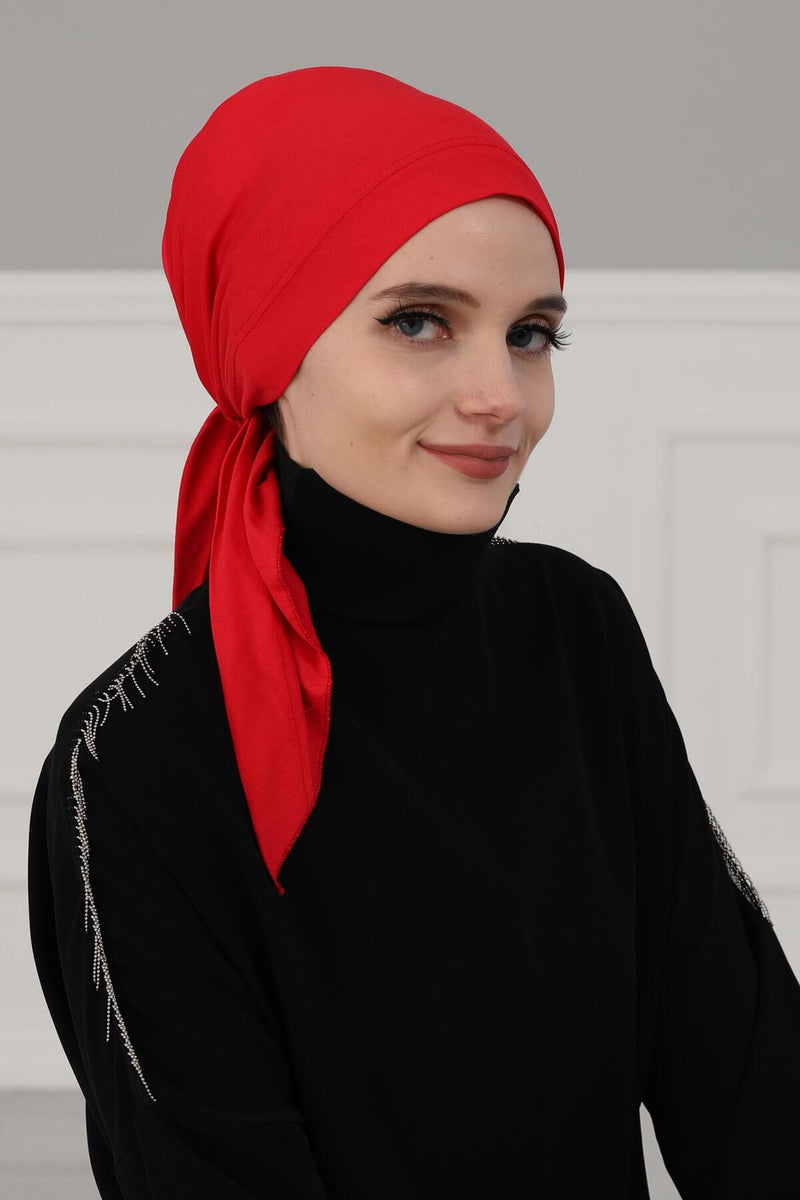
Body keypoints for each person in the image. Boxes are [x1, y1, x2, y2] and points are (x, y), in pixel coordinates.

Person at [27, 65, 800, 1200]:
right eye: (420, 322)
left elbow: (750, 1080)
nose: (501, 397)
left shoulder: (576, 628)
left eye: (531, 335)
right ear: (271, 346)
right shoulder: (134, 759)